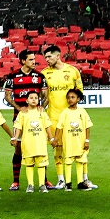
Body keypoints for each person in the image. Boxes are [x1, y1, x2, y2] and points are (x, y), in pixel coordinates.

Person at [3, 50, 47, 190]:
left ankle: (44, 181)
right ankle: (16, 181)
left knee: (39, 149)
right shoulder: (13, 76)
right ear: (23, 61)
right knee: (18, 150)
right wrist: (19, 108)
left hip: (37, 119)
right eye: (31, 59)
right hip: (20, 119)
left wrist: (42, 107)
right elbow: (7, 96)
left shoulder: (40, 76)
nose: (34, 62)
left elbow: (46, 96)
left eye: (34, 59)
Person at [42, 45, 83, 188]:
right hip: (53, 117)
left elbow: (80, 93)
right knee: (57, 148)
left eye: (49, 57)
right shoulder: (44, 73)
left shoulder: (73, 71)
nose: (46, 59)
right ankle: (61, 179)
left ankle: (82, 178)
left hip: (72, 117)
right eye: (45, 57)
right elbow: (43, 96)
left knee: (78, 147)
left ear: (58, 55)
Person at [10, 90, 54, 192]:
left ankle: (42, 185)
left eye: (36, 98)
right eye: (31, 98)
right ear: (26, 100)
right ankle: (30, 185)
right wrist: (15, 138)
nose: (34, 100)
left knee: (41, 164)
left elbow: (47, 126)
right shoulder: (22, 113)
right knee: (29, 164)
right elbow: (18, 127)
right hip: (28, 144)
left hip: (40, 143)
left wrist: (51, 138)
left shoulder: (42, 112)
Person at [55, 88, 94, 191]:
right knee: (68, 161)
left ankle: (80, 183)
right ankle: (68, 183)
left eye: (72, 97)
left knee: (80, 161)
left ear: (78, 99)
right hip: (68, 142)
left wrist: (87, 141)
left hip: (80, 142)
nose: (70, 99)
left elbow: (87, 126)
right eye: (68, 97)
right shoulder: (65, 112)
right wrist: (56, 139)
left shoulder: (82, 111)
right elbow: (59, 127)